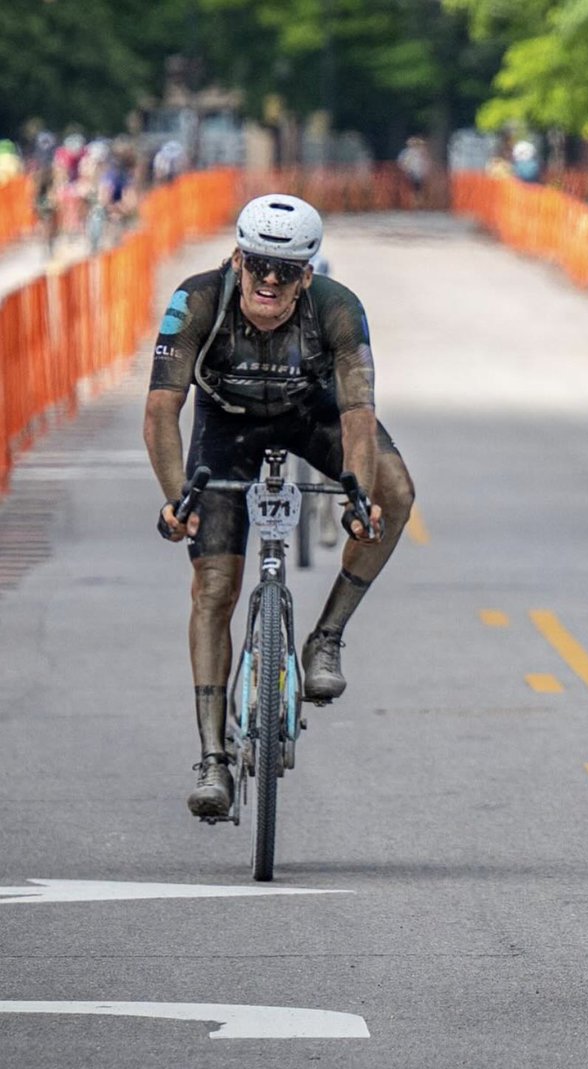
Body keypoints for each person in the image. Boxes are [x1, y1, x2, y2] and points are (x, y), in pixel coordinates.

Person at [144, 194, 416, 819]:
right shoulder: (197, 302)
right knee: (215, 588)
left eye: (285, 271)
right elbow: (162, 410)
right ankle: (214, 759)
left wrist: (357, 495)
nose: (269, 280)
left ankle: (326, 637)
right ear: (237, 258)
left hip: (309, 415)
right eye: (259, 264)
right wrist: (174, 500)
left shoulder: (339, 310)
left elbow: (358, 414)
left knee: (396, 494)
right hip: (227, 428)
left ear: (307, 276)